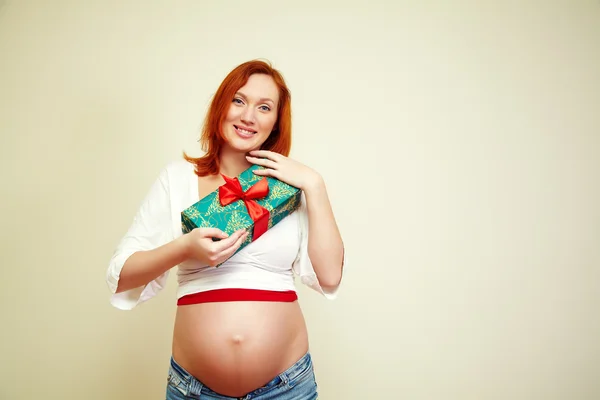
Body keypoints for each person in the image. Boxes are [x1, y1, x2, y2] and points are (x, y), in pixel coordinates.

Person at [106, 59, 346, 399]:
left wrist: (315, 185)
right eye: (239, 100)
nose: (249, 116)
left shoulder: (289, 188)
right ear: (221, 106)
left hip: (288, 388)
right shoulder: (177, 178)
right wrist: (185, 248)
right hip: (194, 390)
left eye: (264, 107)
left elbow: (330, 277)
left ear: (276, 122)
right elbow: (122, 275)